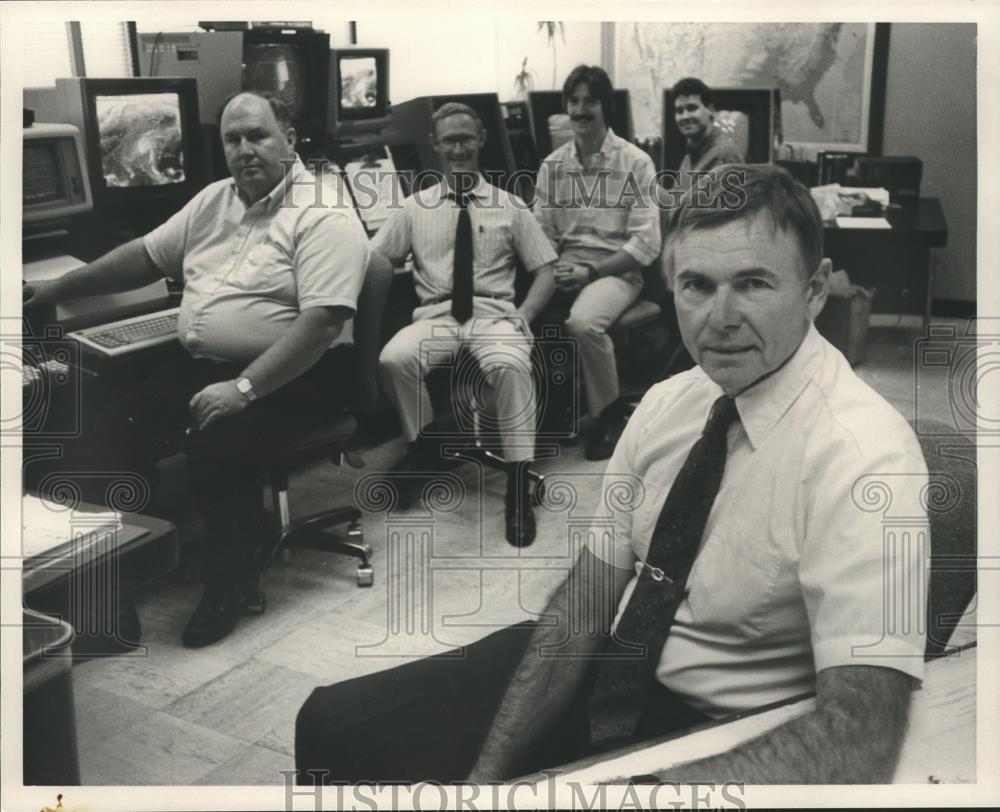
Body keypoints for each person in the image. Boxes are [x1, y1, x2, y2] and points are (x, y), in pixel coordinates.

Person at [295, 164, 928, 784]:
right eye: (697, 286)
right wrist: (486, 774)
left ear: (815, 289)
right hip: (608, 656)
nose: (721, 317)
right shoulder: (668, 403)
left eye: (755, 283)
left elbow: (861, 740)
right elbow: (591, 596)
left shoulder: (867, 458)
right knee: (329, 727)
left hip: (714, 721)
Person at [23, 92, 371, 648]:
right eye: (232, 140)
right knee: (103, 433)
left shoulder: (325, 213)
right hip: (206, 364)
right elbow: (144, 255)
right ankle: (109, 609)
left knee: (217, 446)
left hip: (302, 373)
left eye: (257, 135)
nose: (243, 150)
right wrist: (57, 291)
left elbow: (323, 324)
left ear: (290, 137)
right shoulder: (214, 200)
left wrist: (244, 388)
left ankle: (228, 585)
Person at [373, 102, 557, 548]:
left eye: (466, 138)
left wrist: (525, 314)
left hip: (494, 316)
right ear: (435, 145)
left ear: (481, 141)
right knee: (394, 358)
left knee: (511, 367)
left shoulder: (510, 206)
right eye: (449, 140)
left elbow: (546, 270)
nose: (458, 148)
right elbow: (378, 258)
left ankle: (517, 482)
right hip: (436, 317)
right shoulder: (415, 207)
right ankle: (425, 449)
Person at [533, 65, 661, 461]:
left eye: (590, 101)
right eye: (574, 101)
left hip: (615, 269)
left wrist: (591, 273)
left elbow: (646, 242)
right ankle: (556, 411)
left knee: (582, 323)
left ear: (605, 108)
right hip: (566, 266)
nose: (581, 109)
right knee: (521, 310)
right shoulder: (553, 166)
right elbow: (541, 232)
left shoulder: (636, 163)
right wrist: (554, 269)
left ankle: (609, 414)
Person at [673, 77, 745, 177]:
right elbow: (679, 193)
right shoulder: (692, 150)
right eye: (679, 111)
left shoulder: (724, 156)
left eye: (692, 108)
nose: (685, 116)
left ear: (710, 110)